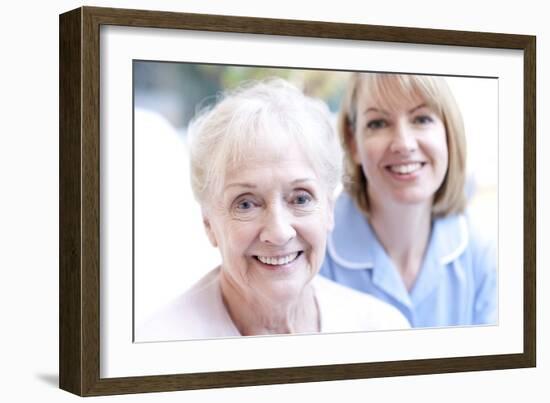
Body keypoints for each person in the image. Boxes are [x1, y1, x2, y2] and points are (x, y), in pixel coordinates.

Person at [137, 78, 409, 341]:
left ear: (329, 210)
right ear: (208, 224)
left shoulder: (382, 329)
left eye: (300, 199)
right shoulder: (157, 347)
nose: (279, 233)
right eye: (245, 203)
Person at [320, 73, 497, 328]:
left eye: (422, 119)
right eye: (378, 123)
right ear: (353, 142)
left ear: (449, 133)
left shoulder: (481, 255)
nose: (403, 144)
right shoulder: (316, 254)